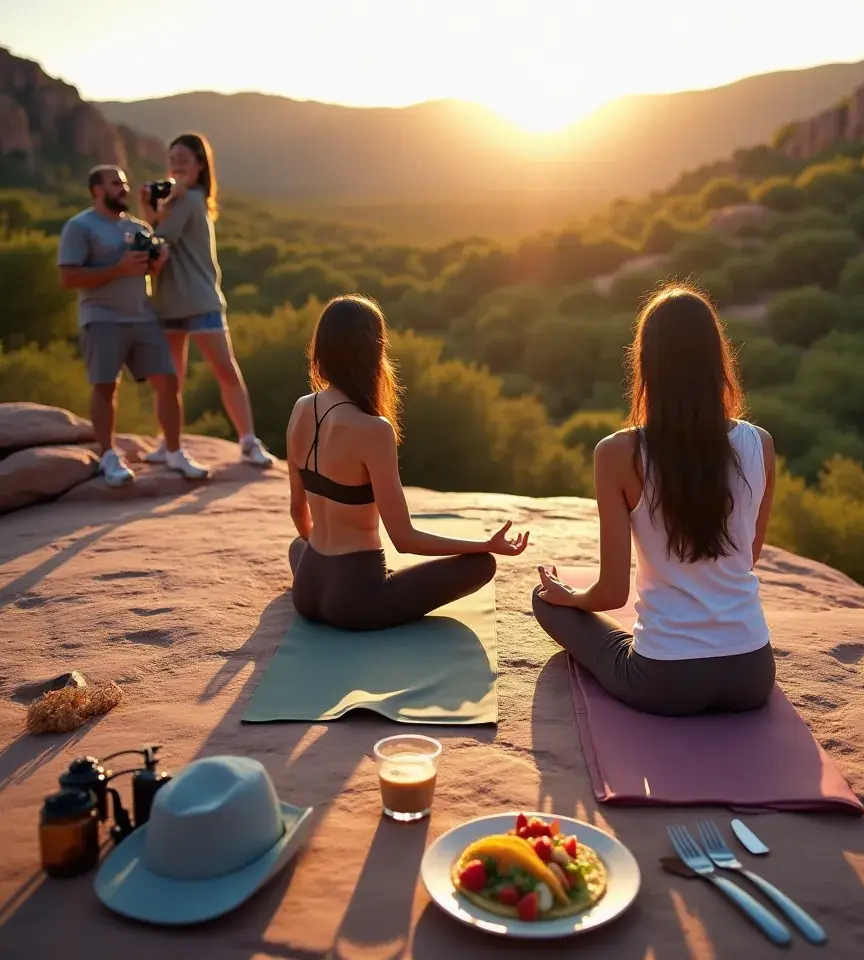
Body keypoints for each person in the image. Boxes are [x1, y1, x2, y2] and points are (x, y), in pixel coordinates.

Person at [532, 285, 777, 717]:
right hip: (752, 673)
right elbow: (748, 557)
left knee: (543, 599)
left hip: (665, 681)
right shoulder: (760, 444)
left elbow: (610, 593)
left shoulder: (617, 453)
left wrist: (571, 596)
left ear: (647, 363)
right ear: (717, 360)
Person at [287, 294, 529, 630]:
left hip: (307, 590)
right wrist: (484, 544)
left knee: (299, 545)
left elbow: (298, 509)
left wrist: (319, 561)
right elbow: (405, 538)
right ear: (374, 352)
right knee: (481, 565)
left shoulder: (302, 408)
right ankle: (365, 586)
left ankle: (320, 575)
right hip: (355, 599)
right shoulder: (373, 429)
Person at [58, 166, 209, 487]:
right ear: (97, 189)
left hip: (142, 316)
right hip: (101, 317)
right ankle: (109, 456)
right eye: (115, 183)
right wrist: (118, 267)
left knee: (168, 382)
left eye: (124, 183)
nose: (123, 189)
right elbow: (69, 278)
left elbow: (147, 272)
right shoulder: (80, 226)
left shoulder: (138, 227)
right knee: (105, 386)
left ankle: (173, 451)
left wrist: (156, 262)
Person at [139, 132, 275, 468]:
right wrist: (154, 208)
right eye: (172, 160)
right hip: (172, 300)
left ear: (201, 165)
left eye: (184, 160)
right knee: (173, 380)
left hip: (198, 299)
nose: (176, 167)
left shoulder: (190, 199)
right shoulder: (176, 200)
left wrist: (149, 209)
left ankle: (247, 441)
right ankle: (169, 442)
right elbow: (157, 242)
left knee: (222, 370)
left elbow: (160, 237)